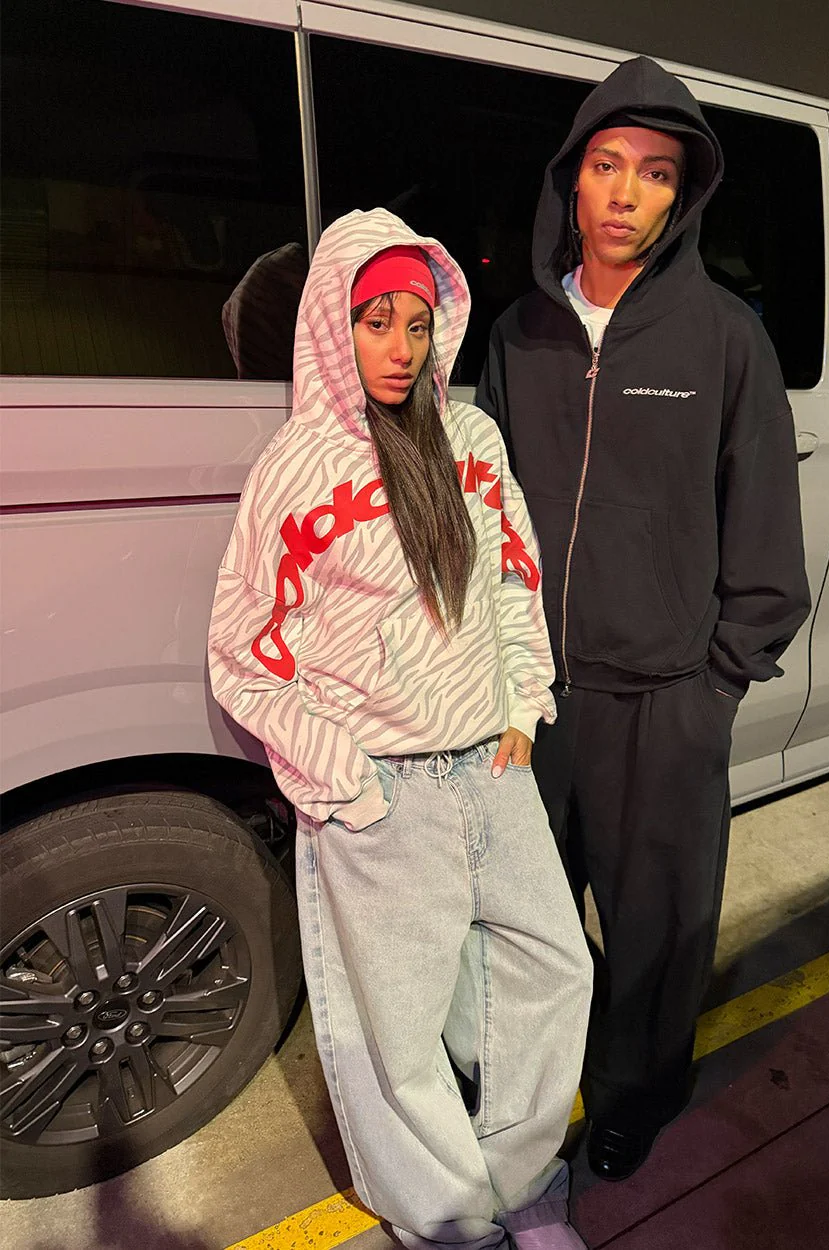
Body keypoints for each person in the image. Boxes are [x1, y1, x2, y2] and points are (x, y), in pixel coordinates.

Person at [208, 208, 593, 1250]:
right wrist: (344, 774)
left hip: (489, 767)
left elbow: (512, 580)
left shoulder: (469, 439)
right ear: (334, 325)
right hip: (382, 789)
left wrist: (522, 705)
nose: (400, 347)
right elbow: (245, 648)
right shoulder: (298, 468)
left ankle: (520, 1184)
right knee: (399, 1031)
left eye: (417, 324)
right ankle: (450, 1223)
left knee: (553, 969)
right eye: (375, 322)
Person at [476, 57, 810, 1182]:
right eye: (608, 165)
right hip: (532, 699)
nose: (625, 193)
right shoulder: (518, 336)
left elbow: (763, 530)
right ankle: (522, 1089)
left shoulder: (724, 338)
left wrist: (717, 684)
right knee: (518, 918)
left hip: (664, 700)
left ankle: (635, 1093)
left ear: (683, 194)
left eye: (656, 173)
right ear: (571, 180)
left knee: (657, 925)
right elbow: (486, 516)